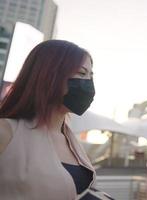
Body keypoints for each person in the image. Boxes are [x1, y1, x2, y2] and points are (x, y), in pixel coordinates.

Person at [0, 40, 107, 199]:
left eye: (91, 75)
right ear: (48, 74)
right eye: (81, 73)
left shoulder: (71, 141)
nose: (89, 83)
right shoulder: (5, 132)